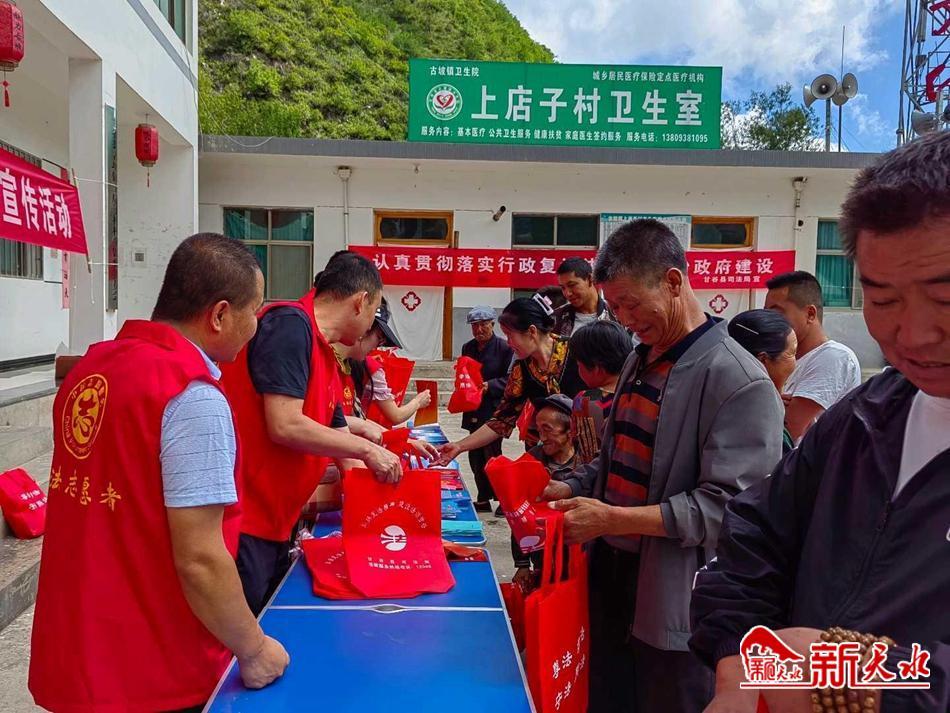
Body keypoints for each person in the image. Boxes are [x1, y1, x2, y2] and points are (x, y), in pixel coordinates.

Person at [690, 127, 950, 713]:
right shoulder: (865, 418)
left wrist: (858, 679)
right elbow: (754, 536)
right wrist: (738, 662)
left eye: (945, 298)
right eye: (883, 300)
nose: (913, 334)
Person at [30, 234, 289, 712]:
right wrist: (254, 649)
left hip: (76, 653)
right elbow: (200, 559)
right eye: (254, 311)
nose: (256, 326)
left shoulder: (92, 370)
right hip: (150, 668)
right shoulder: (190, 395)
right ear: (220, 315)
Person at [542, 219, 785, 713]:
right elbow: (616, 457)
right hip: (611, 577)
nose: (625, 319)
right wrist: (574, 486)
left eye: (631, 304)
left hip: (674, 599)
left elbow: (730, 510)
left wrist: (613, 519)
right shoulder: (641, 359)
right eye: (615, 307)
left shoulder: (738, 380)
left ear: (673, 282)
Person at [220, 251, 402, 615]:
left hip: (278, 521)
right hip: (246, 522)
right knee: (241, 637)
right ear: (360, 301)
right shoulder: (289, 326)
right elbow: (285, 424)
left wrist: (390, 515)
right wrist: (369, 451)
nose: (371, 326)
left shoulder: (325, 356)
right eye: (374, 311)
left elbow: (340, 443)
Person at [437, 295, 586, 463]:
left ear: (531, 332)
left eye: (510, 335)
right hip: (551, 455)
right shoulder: (522, 368)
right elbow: (502, 419)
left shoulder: (577, 352)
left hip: (588, 452)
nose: (508, 343)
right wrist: (459, 446)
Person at [765, 270, 861, 443]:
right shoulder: (780, 358)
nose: (769, 322)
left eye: (777, 314)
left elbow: (786, 431)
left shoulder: (834, 357)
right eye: (766, 314)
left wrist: (768, 399)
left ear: (810, 314)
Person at [512, 394, 579, 588]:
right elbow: (518, 513)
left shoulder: (587, 462)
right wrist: (523, 564)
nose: (541, 438)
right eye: (539, 430)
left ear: (570, 430)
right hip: (542, 556)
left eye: (547, 430)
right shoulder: (532, 459)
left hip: (578, 554)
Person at [343, 298, 432, 427]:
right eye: (379, 339)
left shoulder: (347, 363)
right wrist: (418, 401)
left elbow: (350, 419)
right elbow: (396, 415)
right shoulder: (363, 366)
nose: (377, 347)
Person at [460, 305, 514, 513]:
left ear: (493, 324)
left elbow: (511, 380)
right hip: (473, 407)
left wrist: (489, 385)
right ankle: (482, 498)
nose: (479, 329)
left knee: (493, 454)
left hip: (494, 408)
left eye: (483, 325)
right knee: (475, 456)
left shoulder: (505, 348)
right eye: (475, 325)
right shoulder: (468, 347)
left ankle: (503, 499)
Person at [728, 309, 798, 453]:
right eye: (792, 353)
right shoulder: (763, 423)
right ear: (763, 360)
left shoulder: (721, 397)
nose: (795, 363)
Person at [568, 321, 634, 464]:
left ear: (597, 368)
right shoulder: (638, 392)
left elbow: (583, 450)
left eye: (579, 365)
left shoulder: (585, 399)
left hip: (598, 472)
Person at [553, 256, 617, 336]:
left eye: (572, 285)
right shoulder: (556, 318)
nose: (567, 293)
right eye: (563, 288)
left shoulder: (615, 315)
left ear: (590, 279)